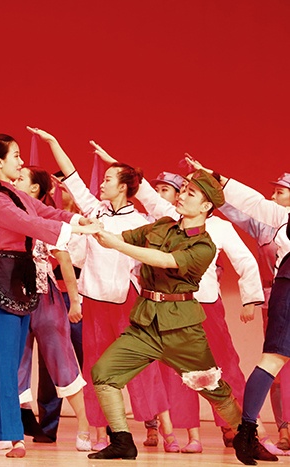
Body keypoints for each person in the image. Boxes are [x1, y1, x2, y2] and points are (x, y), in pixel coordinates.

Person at [93, 143, 268, 453]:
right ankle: (123, 441)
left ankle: (247, 438)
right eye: (182, 190)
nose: (180, 195)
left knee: (212, 383)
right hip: (147, 322)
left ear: (206, 205)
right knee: (103, 373)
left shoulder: (206, 243)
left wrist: (250, 300)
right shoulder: (164, 224)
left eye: (190, 192)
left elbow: (167, 261)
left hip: (185, 324)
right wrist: (81, 227)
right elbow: (121, 231)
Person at [0, 133, 99, 458]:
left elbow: (45, 212)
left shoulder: (15, 193)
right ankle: (12, 437)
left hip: (24, 281)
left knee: (7, 361)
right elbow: (28, 224)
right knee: (5, 363)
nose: (20, 160)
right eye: (15, 155)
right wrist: (75, 230)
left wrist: (77, 218)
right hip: (3, 278)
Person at [29, 128, 172, 451]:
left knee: (141, 362)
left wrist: (132, 175)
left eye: (109, 179)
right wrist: (54, 143)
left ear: (123, 187)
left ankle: (165, 428)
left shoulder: (141, 221)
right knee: (95, 366)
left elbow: (170, 215)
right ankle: (98, 431)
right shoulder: (94, 213)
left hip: (126, 299)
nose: (102, 183)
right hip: (94, 299)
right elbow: (73, 178)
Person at [186, 156, 290, 465]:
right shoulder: (283, 215)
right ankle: (247, 432)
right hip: (288, 287)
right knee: (272, 360)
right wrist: (217, 177)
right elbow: (252, 202)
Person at [13, 165, 91, 450]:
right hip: (14, 298)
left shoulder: (45, 220)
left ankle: (84, 424)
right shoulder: (7, 215)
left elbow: (65, 262)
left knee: (62, 361)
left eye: (20, 178)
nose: (14, 180)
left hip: (45, 298)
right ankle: (15, 429)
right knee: (16, 364)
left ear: (34, 189)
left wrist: (75, 301)